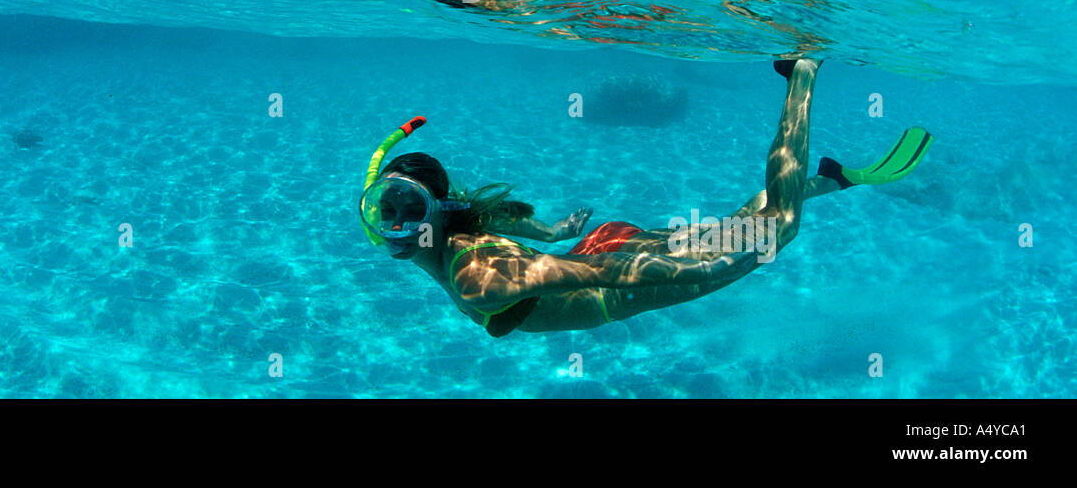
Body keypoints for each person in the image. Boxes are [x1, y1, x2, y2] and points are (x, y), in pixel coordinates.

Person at [358, 58, 932, 336]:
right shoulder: (457, 220)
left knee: (779, 230)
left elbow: (605, 278)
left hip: (617, 271)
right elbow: (505, 223)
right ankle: (828, 179)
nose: (398, 224)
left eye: (410, 209)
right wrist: (557, 233)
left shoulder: (475, 279)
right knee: (741, 224)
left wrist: (692, 274)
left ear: (435, 207)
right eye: (387, 209)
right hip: (603, 244)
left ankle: (801, 73)